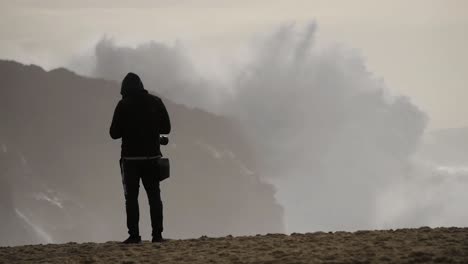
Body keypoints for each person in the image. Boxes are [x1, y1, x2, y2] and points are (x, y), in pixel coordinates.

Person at [110, 72, 171, 244]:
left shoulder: (123, 105)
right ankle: (157, 235)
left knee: (131, 199)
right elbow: (167, 127)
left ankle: (134, 236)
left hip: (130, 161)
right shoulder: (155, 102)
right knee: (154, 197)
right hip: (152, 158)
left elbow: (113, 134)